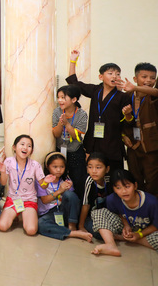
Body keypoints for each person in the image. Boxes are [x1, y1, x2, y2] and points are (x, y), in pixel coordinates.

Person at [66, 50, 130, 171]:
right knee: (94, 173)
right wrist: (73, 61)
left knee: (114, 175)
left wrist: (127, 115)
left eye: (117, 74)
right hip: (94, 141)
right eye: (110, 73)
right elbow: (73, 83)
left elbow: (128, 121)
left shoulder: (123, 96)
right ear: (101, 77)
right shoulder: (95, 90)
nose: (114, 76)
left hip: (113, 142)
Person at [91, 169, 158, 257]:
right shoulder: (112, 199)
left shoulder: (151, 202)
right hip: (125, 229)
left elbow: (156, 225)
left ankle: (125, 239)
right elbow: (117, 213)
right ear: (114, 189)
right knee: (99, 212)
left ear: (135, 185)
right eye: (118, 188)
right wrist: (126, 225)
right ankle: (110, 245)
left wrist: (139, 235)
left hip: (146, 231)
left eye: (127, 186)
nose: (123, 191)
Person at [0, 135, 55, 235]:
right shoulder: (8, 162)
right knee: (2, 226)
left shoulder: (35, 165)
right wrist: (2, 172)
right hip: (13, 199)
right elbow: (3, 182)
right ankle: (15, 215)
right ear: (14, 147)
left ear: (31, 151)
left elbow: (43, 186)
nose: (25, 148)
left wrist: (46, 181)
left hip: (29, 200)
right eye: (22, 144)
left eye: (29, 146)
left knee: (31, 231)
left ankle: (24, 215)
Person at [37, 152, 92, 242]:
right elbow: (44, 200)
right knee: (41, 224)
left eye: (62, 167)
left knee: (70, 194)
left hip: (64, 212)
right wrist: (60, 191)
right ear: (47, 166)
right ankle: (73, 233)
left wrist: (69, 188)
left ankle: (72, 226)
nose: (59, 170)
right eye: (55, 167)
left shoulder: (66, 181)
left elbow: (72, 201)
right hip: (49, 213)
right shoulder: (43, 182)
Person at [121, 63, 158, 196]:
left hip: (151, 148)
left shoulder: (153, 96)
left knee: (152, 182)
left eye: (152, 78)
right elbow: (121, 122)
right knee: (135, 180)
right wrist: (123, 135)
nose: (148, 80)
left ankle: (152, 207)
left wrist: (135, 87)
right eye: (144, 77)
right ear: (135, 78)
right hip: (133, 146)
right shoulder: (127, 96)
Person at [51, 85, 88, 199]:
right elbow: (56, 134)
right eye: (58, 97)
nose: (60, 100)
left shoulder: (81, 114)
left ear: (74, 99)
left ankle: (78, 204)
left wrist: (67, 124)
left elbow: (76, 136)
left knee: (77, 180)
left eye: (63, 97)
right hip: (60, 150)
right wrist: (60, 123)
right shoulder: (57, 112)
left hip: (75, 151)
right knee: (59, 179)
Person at [79, 152, 112, 237]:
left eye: (98, 167)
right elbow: (85, 205)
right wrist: (81, 226)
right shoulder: (89, 181)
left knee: (114, 229)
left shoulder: (109, 180)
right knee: (99, 234)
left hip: (105, 215)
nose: (94, 171)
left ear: (107, 169)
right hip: (90, 216)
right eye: (90, 167)